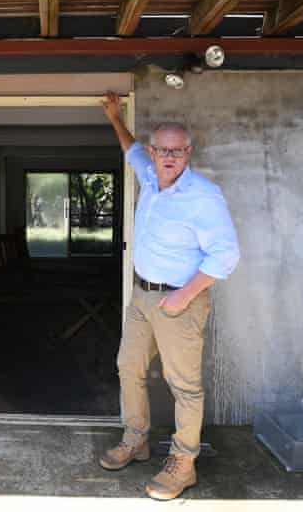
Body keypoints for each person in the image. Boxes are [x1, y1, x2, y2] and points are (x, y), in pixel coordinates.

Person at [98, 91, 240, 500]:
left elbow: (226, 255)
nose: (168, 157)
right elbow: (131, 149)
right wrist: (114, 116)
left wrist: (185, 295)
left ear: (188, 152)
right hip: (142, 298)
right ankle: (136, 439)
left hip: (182, 301)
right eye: (162, 150)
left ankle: (184, 463)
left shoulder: (203, 195)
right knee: (129, 367)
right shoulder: (149, 176)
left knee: (184, 386)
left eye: (177, 150)